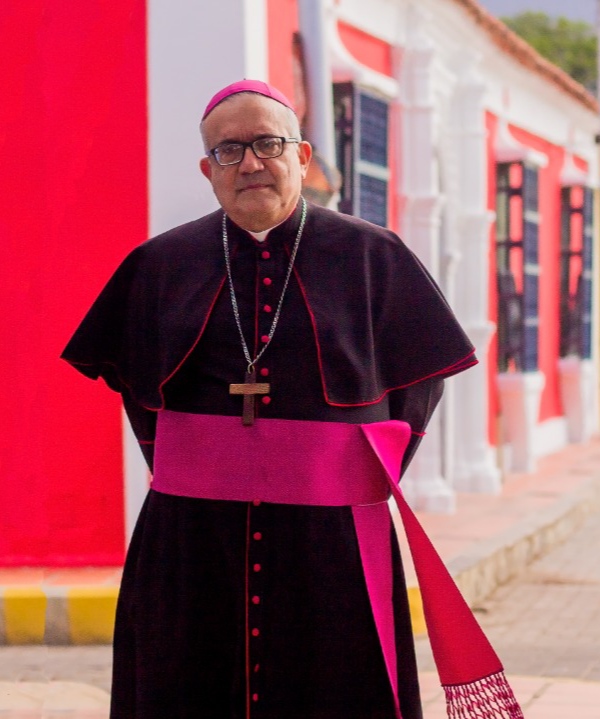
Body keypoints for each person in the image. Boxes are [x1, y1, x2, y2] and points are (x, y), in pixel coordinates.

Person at [62, 80, 522, 719]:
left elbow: (419, 385)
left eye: (268, 144)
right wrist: (200, 465)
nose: (250, 162)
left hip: (332, 539)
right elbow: (137, 390)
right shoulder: (160, 265)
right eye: (228, 151)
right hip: (191, 540)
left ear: (302, 157)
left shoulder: (374, 257)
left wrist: (341, 470)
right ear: (208, 171)